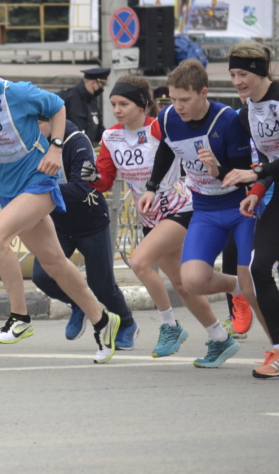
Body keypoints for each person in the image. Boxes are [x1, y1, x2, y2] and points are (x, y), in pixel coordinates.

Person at [0, 48, 122, 362]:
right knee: (55, 262)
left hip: (38, 180)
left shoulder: (17, 93)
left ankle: (19, 318)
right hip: (6, 188)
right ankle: (104, 320)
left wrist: (56, 149)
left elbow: (58, 107)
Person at [138, 59, 254, 368]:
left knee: (255, 277)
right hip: (203, 206)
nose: (178, 106)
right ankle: (232, 304)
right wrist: (151, 186)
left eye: (184, 100)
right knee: (189, 281)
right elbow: (167, 146)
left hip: (239, 205)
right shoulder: (169, 117)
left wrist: (218, 169)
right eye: (173, 99)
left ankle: (270, 343)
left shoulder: (227, 120)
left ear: (204, 92)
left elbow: (246, 171)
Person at [87, 75, 203, 359]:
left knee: (140, 261)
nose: (117, 109)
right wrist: (93, 177)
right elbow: (105, 181)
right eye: (113, 103)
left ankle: (169, 326)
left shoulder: (160, 127)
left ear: (142, 105)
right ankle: (221, 331)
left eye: (123, 103)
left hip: (180, 206)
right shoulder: (110, 136)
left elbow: (191, 151)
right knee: (182, 282)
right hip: (150, 216)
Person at [30, 116, 137, 348]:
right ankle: (78, 303)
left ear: (51, 120)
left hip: (91, 223)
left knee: (102, 286)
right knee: (41, 276)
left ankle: (127, 324)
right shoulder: (31, 143)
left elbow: (81, 186)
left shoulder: (77, 141)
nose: (30, 129)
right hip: (58, 225)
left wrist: (35, 191)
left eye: (36, 123)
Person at [221, 42, 279, 378]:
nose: (237, 80)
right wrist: (257, 191)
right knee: (259, 269)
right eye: (232, 74)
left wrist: (256, 176)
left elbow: (263, 166)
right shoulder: (246, 113)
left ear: (260, 71)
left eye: (243, 73)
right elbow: (269, 161)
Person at [60, 67, 109, 146]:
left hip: (87, 150)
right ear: (93, 83)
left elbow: (98, 131)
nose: (102, 89)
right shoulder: (68, 97)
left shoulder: (93, 101)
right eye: (101, 86)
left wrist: (112, 137)